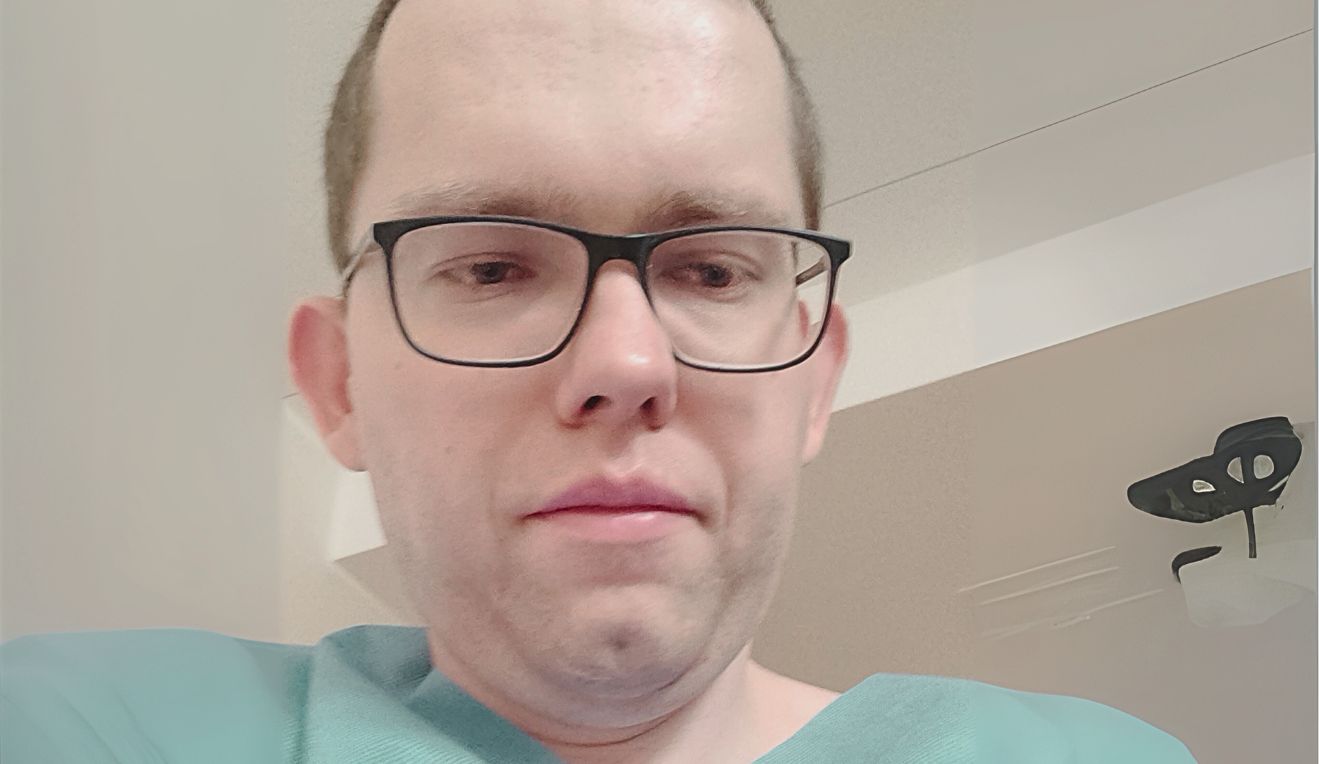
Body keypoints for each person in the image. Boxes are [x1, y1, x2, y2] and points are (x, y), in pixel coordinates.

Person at [1, 1, 1198, 761]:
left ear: (813, 379)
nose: (624, 364)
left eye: (712, 268)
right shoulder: (83, 724)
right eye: (488, 264)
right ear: (338, 384)